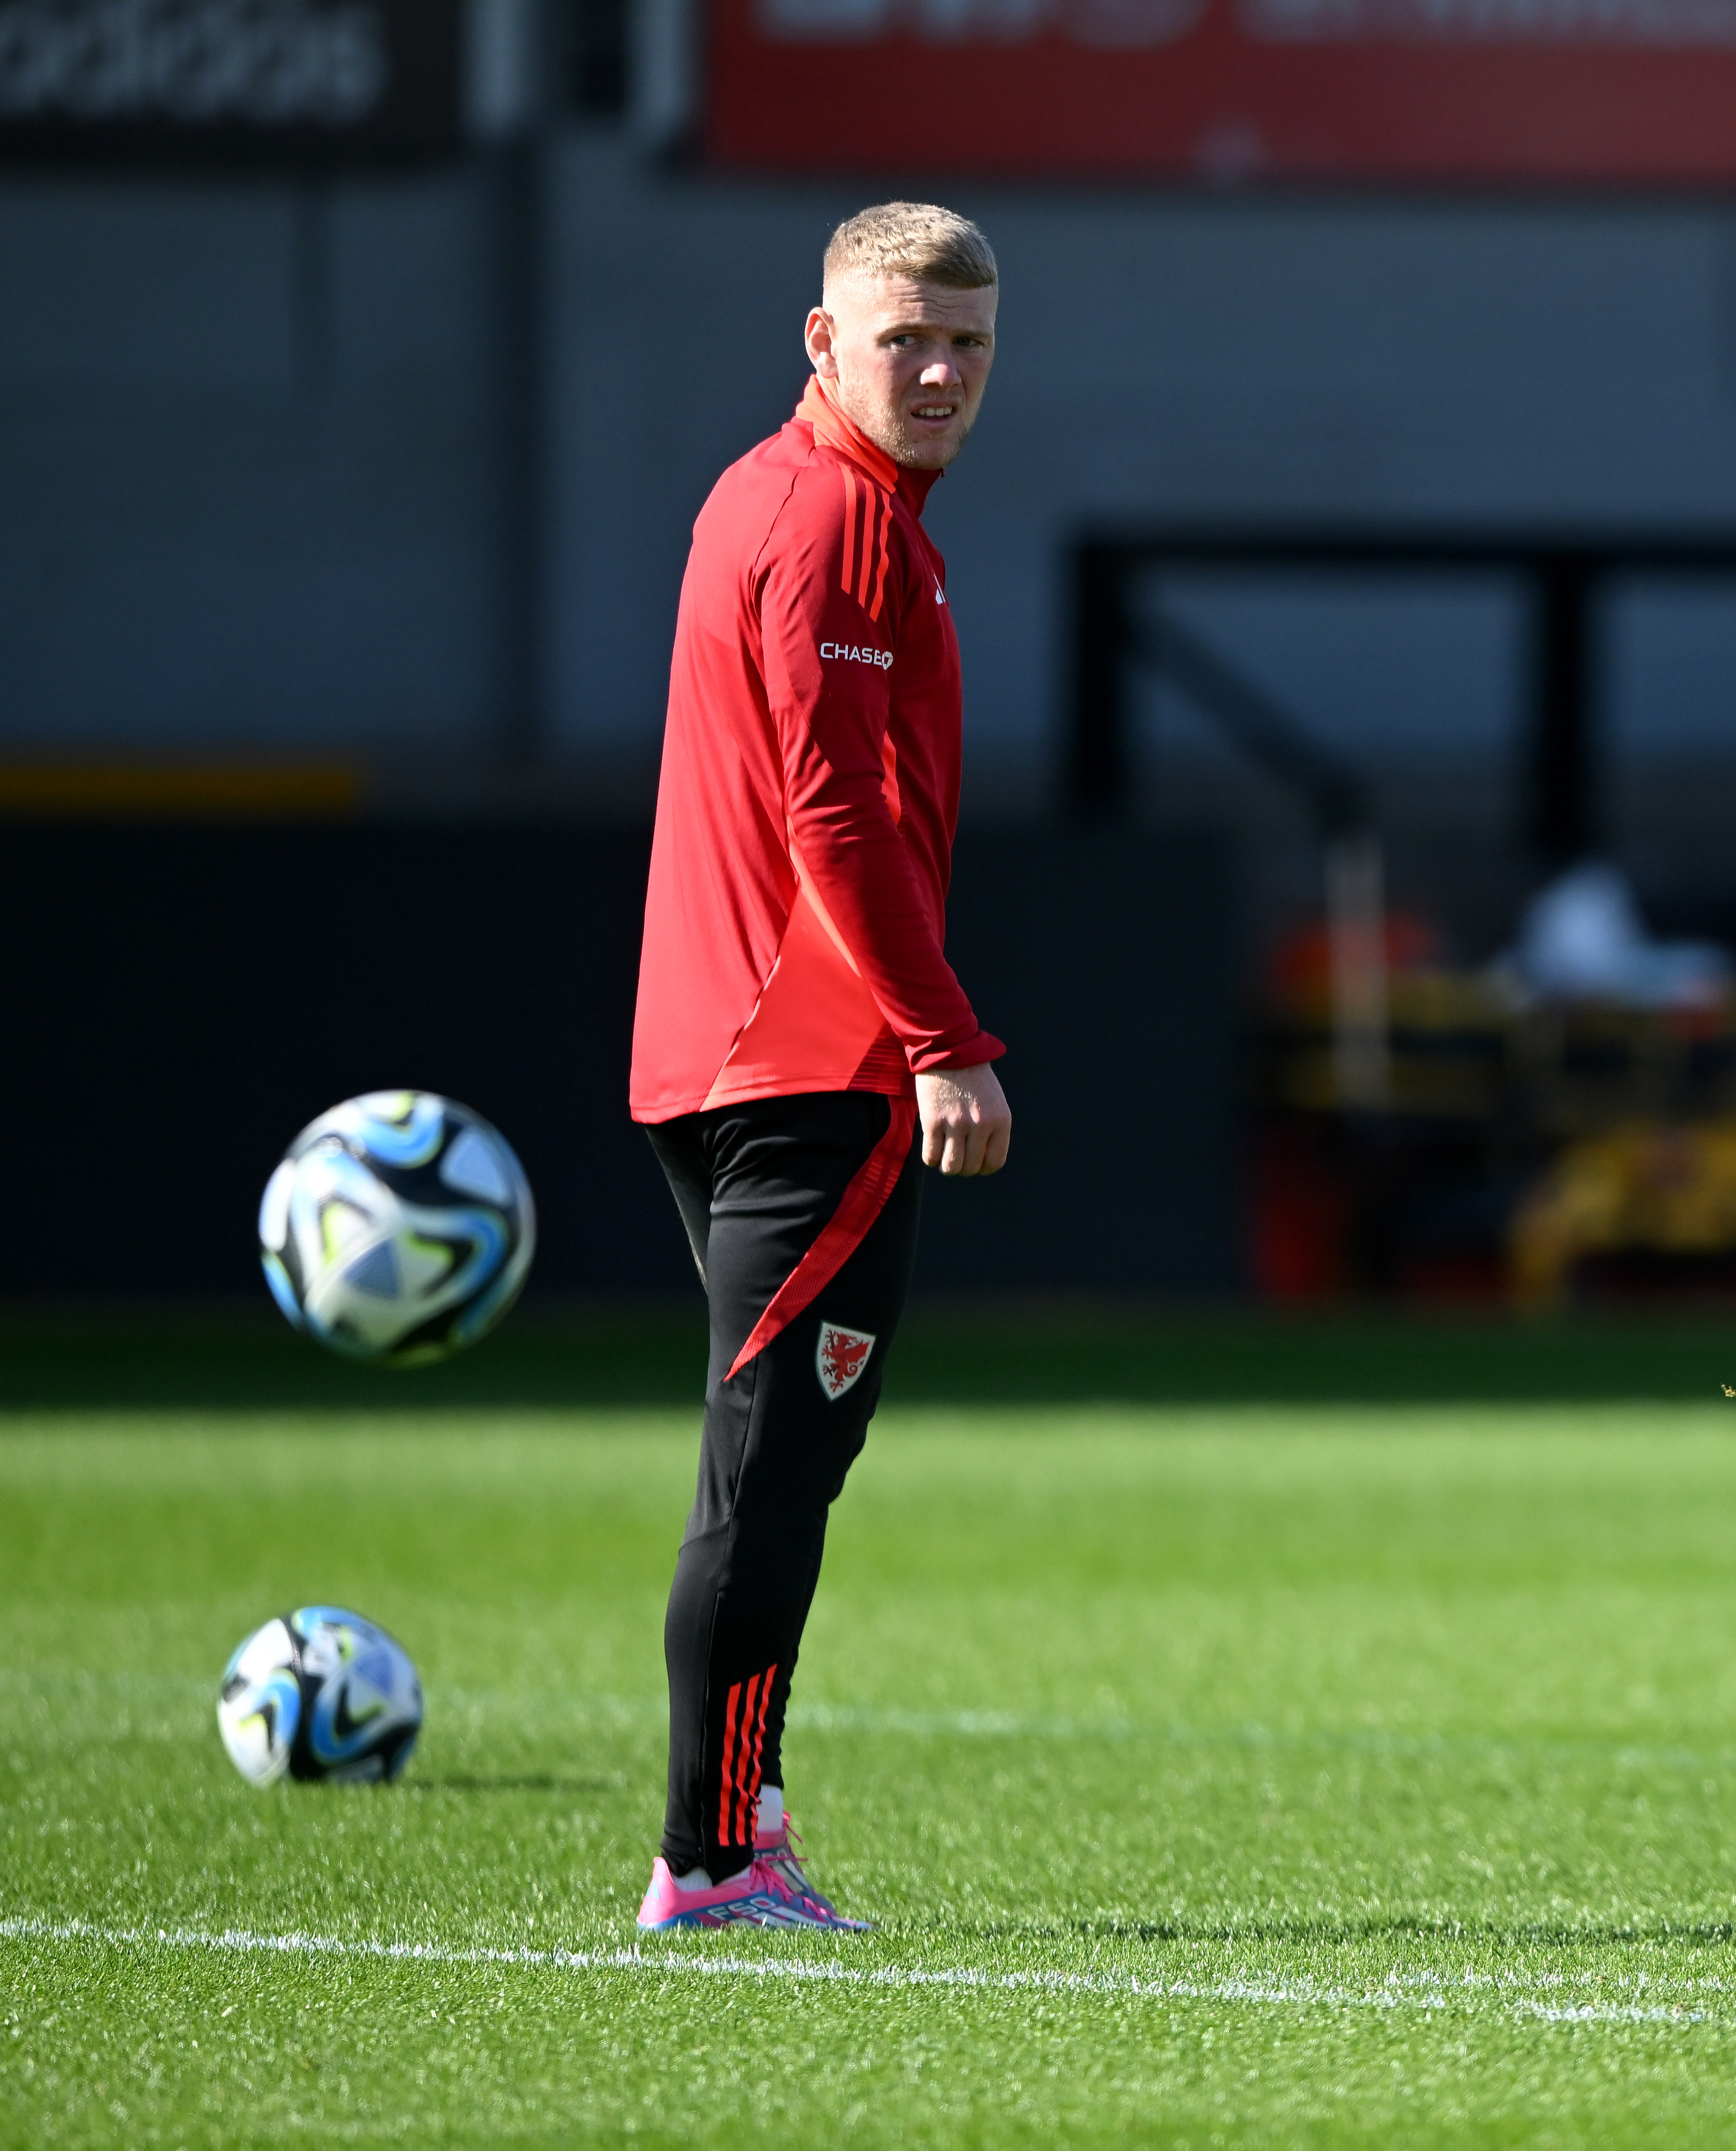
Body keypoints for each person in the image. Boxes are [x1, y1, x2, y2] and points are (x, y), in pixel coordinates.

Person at [626, 201, 1015, 1932]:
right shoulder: (836, 520)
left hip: (737, 1052)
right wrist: (945, 1043)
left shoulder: (779, 495)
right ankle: (706, 1862)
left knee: (796, 1456)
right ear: (820, 340)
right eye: (902, 341)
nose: (937, 374)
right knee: (768, 1470)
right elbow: (830, 811)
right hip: (809, 1061)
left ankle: (745, 1812)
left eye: (968, 346)